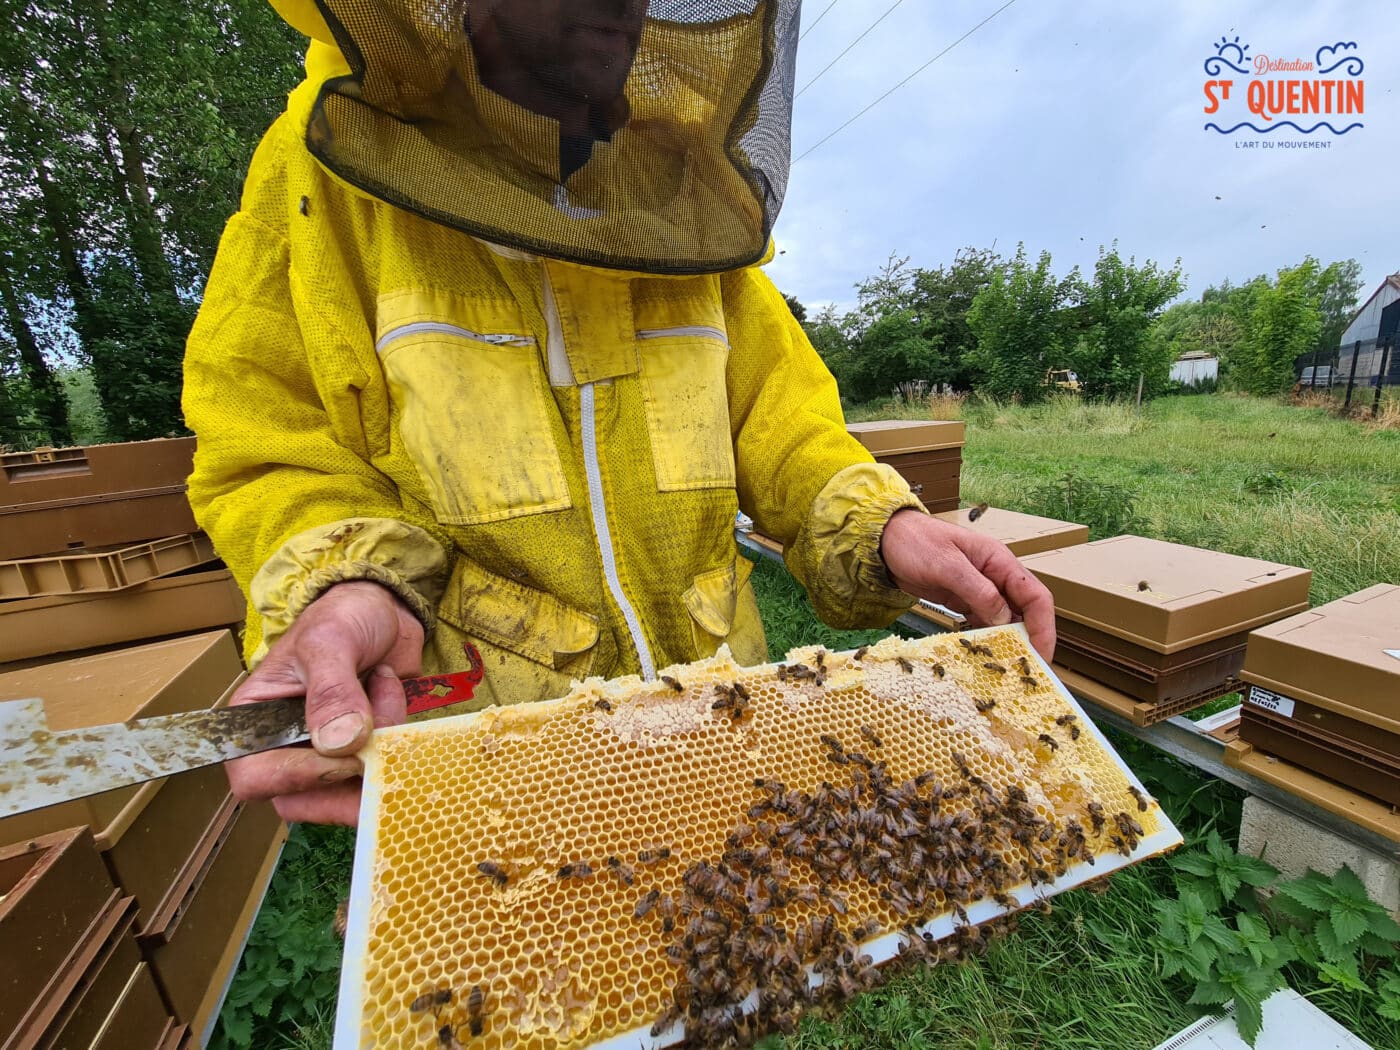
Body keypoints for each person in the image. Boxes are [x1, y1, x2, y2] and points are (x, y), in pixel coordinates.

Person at [183, 0, 1055, 827]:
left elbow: (777, 416)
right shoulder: (327, 177)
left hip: (726, 725)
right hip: (499, 764)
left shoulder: (686, 193)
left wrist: (881, 523)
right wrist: (349, 586)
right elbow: (276, 442)